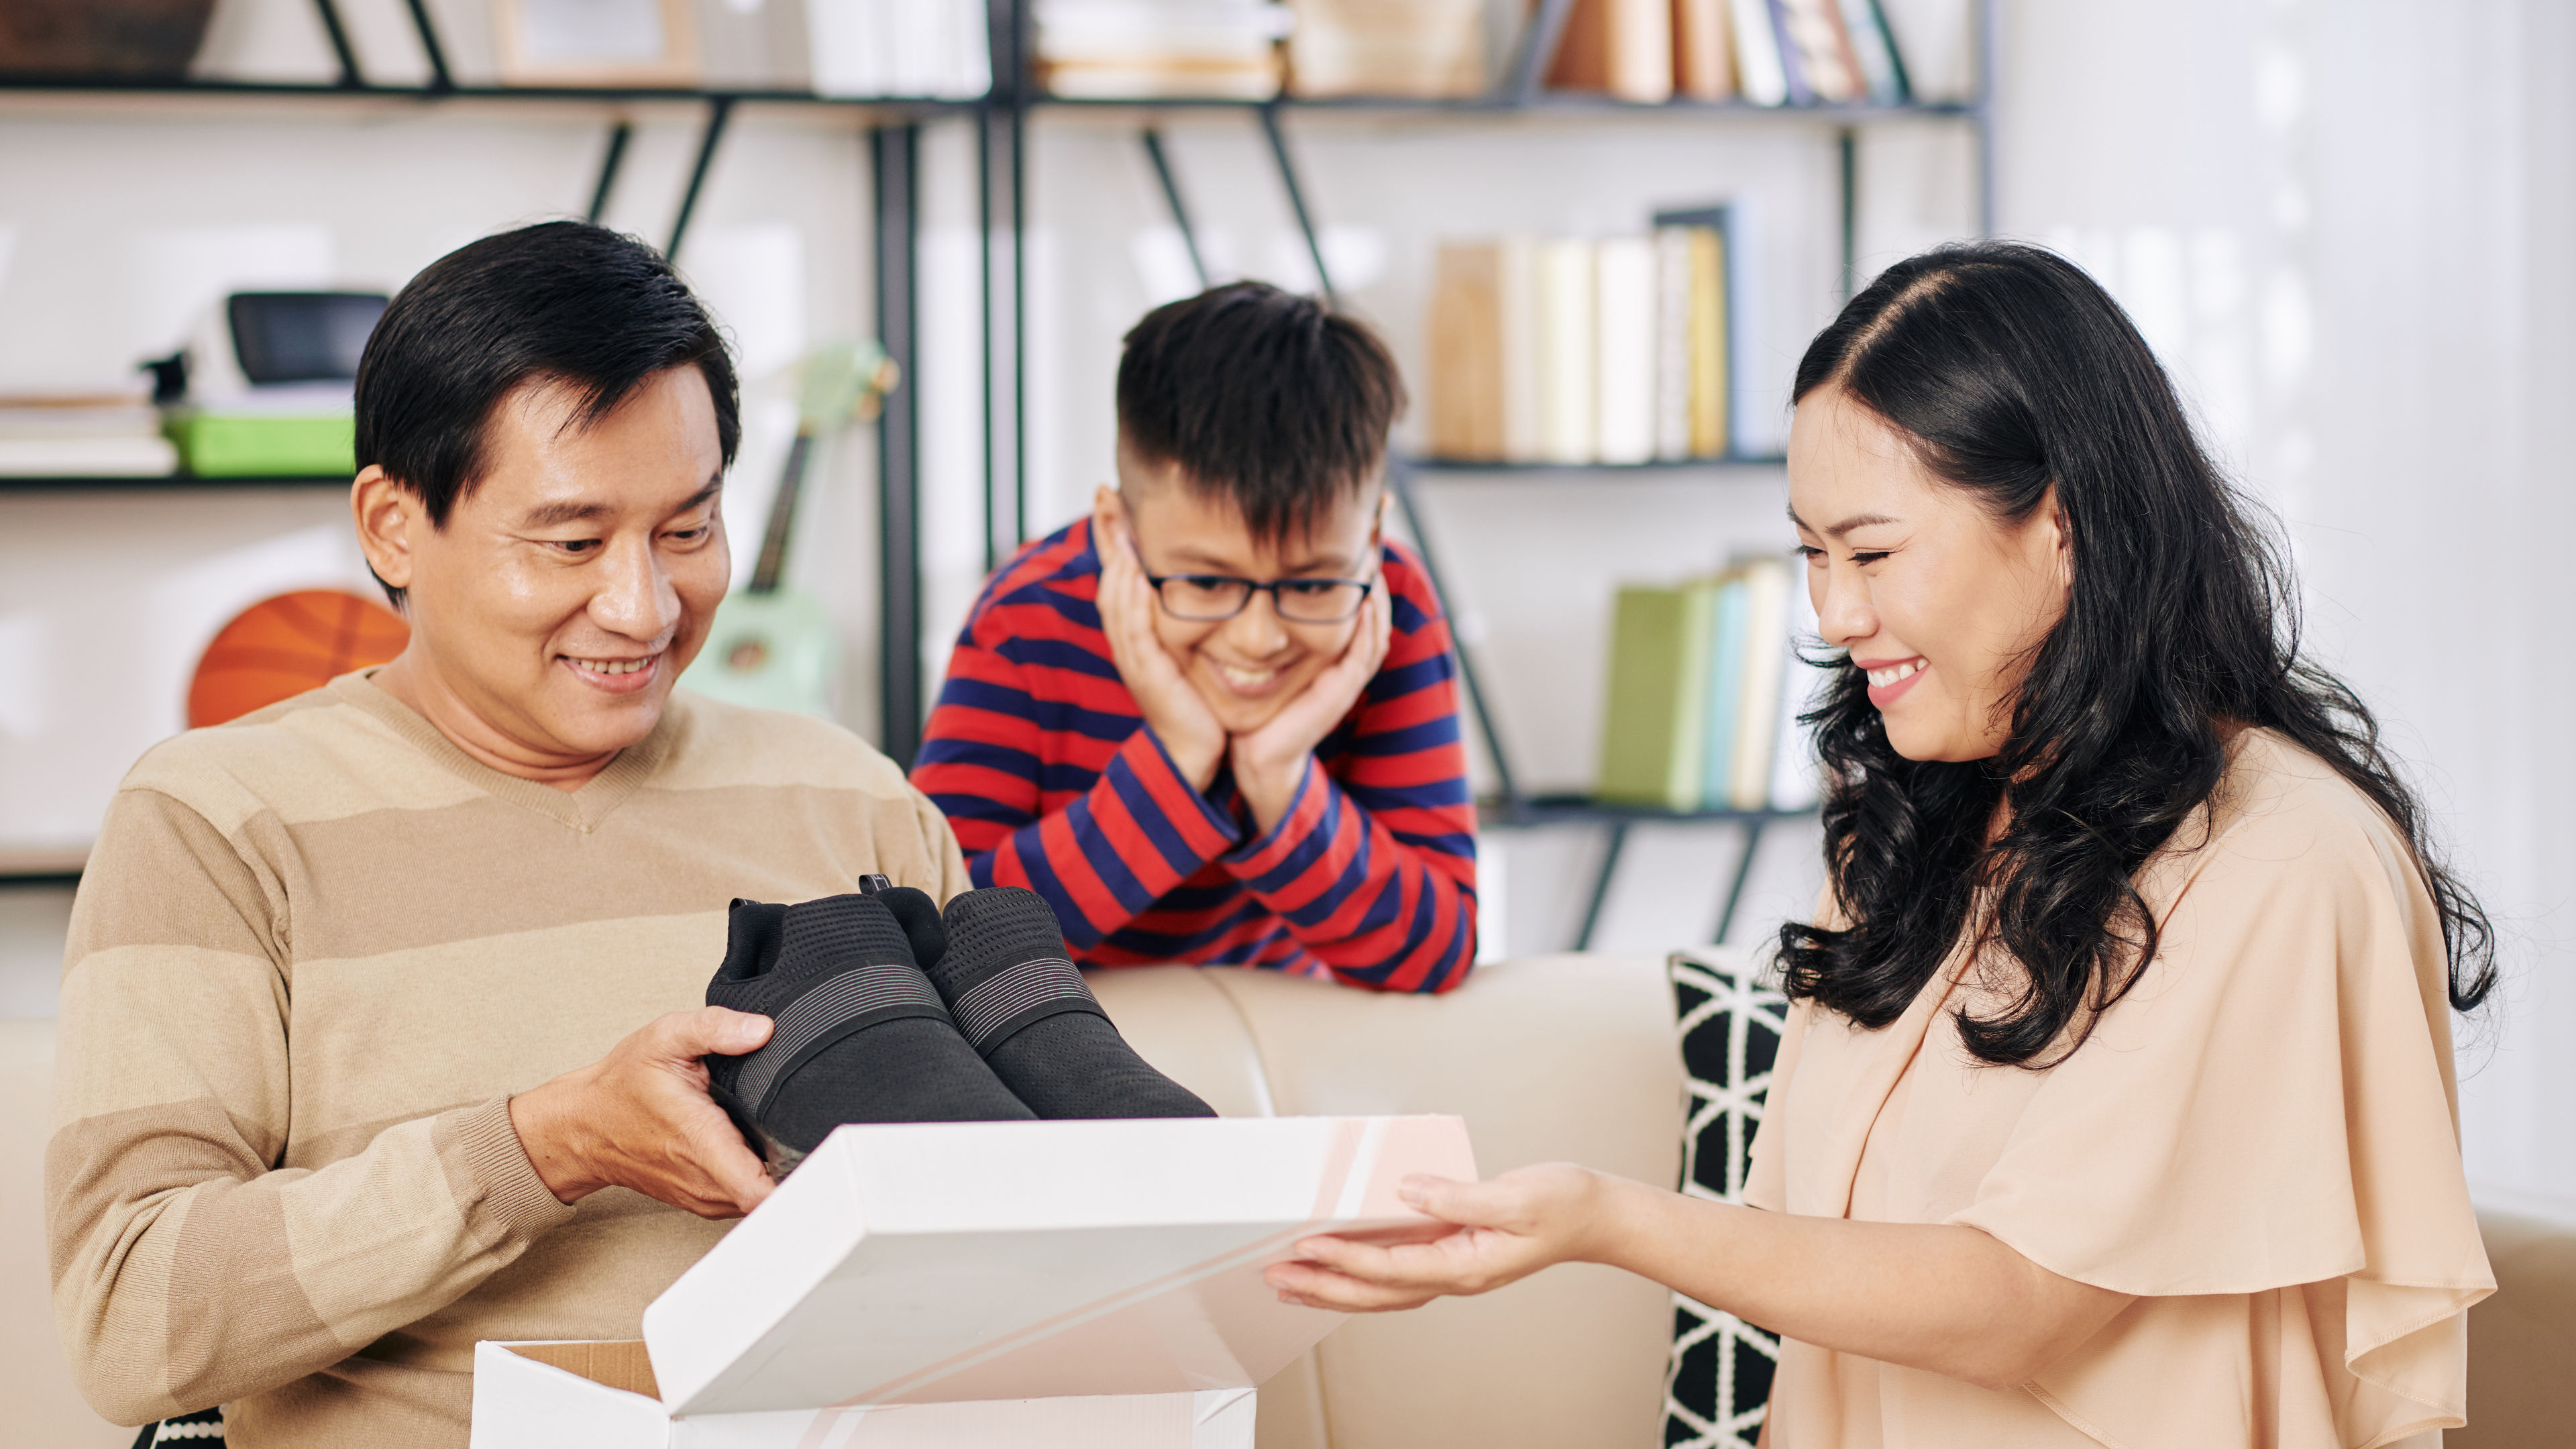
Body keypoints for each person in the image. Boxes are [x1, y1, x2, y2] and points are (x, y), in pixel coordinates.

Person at [1264, 241, 2497, 1449]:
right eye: (1811, 554)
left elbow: (2021, 1305)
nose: (1833, 614)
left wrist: (1603, 1219)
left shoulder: (2287, 858)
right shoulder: (1918, 822)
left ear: (2060, 525)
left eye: (1871, 551)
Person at [46, 222, 969, 1446]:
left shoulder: (853, 798)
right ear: (391, 526)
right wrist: (545, 1148)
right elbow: (131, 1315)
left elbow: (1029, 1205)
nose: (642, 606)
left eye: (687, 530)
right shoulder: (219, 820)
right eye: (572, 542)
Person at [910, 282, 1477, 992]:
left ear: (1370, 534)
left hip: (1287, 1039)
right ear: (1118, 532)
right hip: (1067, 1037)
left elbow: (1437, 951)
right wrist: (1178, 761)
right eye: (1208, 584)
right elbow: (938, 938)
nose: (1260, 639)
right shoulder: (1026, 614)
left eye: (1310, 585)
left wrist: (1279, 776)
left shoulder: (1387, 607)